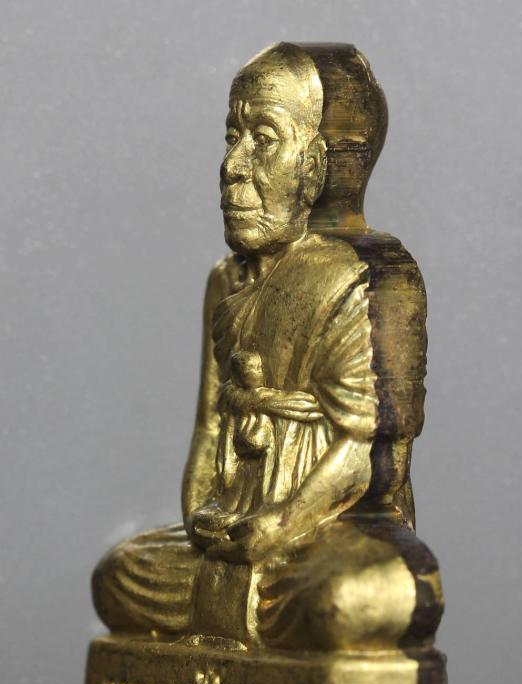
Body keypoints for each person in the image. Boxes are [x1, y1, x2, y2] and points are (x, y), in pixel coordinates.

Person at [92, 43, 443, 652]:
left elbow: (367, 450)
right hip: (234, 525)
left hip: (325, 533)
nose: (232, 165)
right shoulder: (227, 281)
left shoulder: (371, 276)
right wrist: (203, 520)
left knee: (359, 596)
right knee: (120, 576)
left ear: (320, 164)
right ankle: (233, 599)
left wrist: (282, 525)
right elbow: (210, 428)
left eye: (264, 139)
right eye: (233, 137)